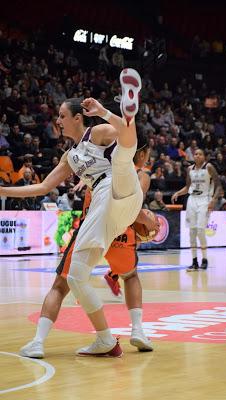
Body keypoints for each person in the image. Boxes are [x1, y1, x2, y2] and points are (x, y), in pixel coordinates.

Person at [0, 68, 154, 358]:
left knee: (122, 155)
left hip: (119, 188)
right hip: (109, 210)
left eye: (61, 115)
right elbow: (43, 187)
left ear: (78, 118)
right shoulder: (70, 156)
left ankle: (128, 110)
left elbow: (125, 135)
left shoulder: (95, 132)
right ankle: (105, 339)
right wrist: (3, 192)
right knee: (75, 277)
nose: (57, 120)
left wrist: (105, 112)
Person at [19, 131, 157, 359]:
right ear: (141, 154)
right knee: (131, 276)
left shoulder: (96, 164)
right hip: (119, 231)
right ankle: (138, 330)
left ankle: (38, 342)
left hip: (91, 231)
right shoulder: (137, 175)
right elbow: (134, 208)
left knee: (60, 286)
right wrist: (149, 222)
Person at [171, 148, 221, 271]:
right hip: (192, 200)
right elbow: (188, 187)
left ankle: (204, 259)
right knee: (192, 232)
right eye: (195, 154)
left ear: (204, 156)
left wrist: (213, 200)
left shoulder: (209, 167)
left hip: (204, 200)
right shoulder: (189, 169)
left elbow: (219, 186)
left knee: (200, 230)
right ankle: (194, 262)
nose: (197, 156)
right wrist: (178, 193)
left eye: (200, 154)